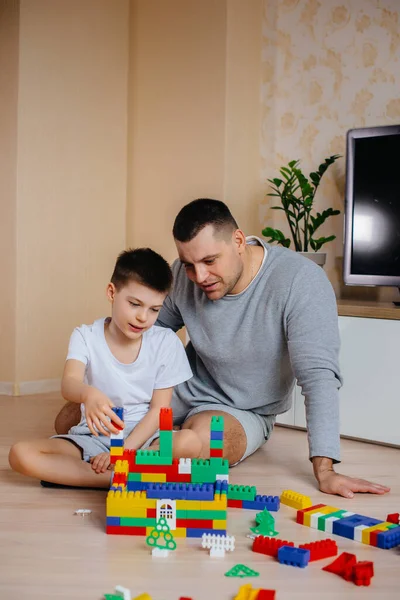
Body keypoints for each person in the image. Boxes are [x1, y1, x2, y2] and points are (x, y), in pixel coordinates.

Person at [54, 199, 390, 499]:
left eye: (210, 261)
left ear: (239, 241)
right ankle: (147, 448)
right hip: (181, 388)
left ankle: (129, 466)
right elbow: (145, 335)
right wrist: (100, 388)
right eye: (188, 264)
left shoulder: (300, 282)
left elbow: (319, 377)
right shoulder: (185, 275)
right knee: (68, 419)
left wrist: (326, 470)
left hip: (242, 409)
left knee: (201, 443)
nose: (199, 275)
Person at [9, 248, 195, 488]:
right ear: (111, 292)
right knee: (20, 454)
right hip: (93, 439)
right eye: (135, 304)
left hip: (143, 442)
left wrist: (124, 454)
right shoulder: (85, 336)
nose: (143, 317)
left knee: (189, 442)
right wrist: (89, 394)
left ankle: (109, 473)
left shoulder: (166, 342)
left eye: (154, 310)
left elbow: (159, 410)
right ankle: (124, 478)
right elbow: (69, 384)